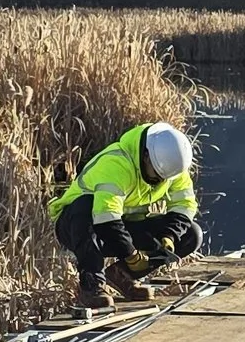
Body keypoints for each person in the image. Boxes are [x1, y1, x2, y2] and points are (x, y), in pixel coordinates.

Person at [50, 118, 201, 307]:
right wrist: (130, 254)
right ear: (146, 156)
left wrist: (169, 235)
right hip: (79, 226)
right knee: (85, 207)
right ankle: (92, 286)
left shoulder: (172, 168)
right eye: (156, 175)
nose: (161, 181)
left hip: (122, 224)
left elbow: (185, 205)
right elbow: (106, 219)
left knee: (191, 234)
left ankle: (123, 275)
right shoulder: (116, 163)